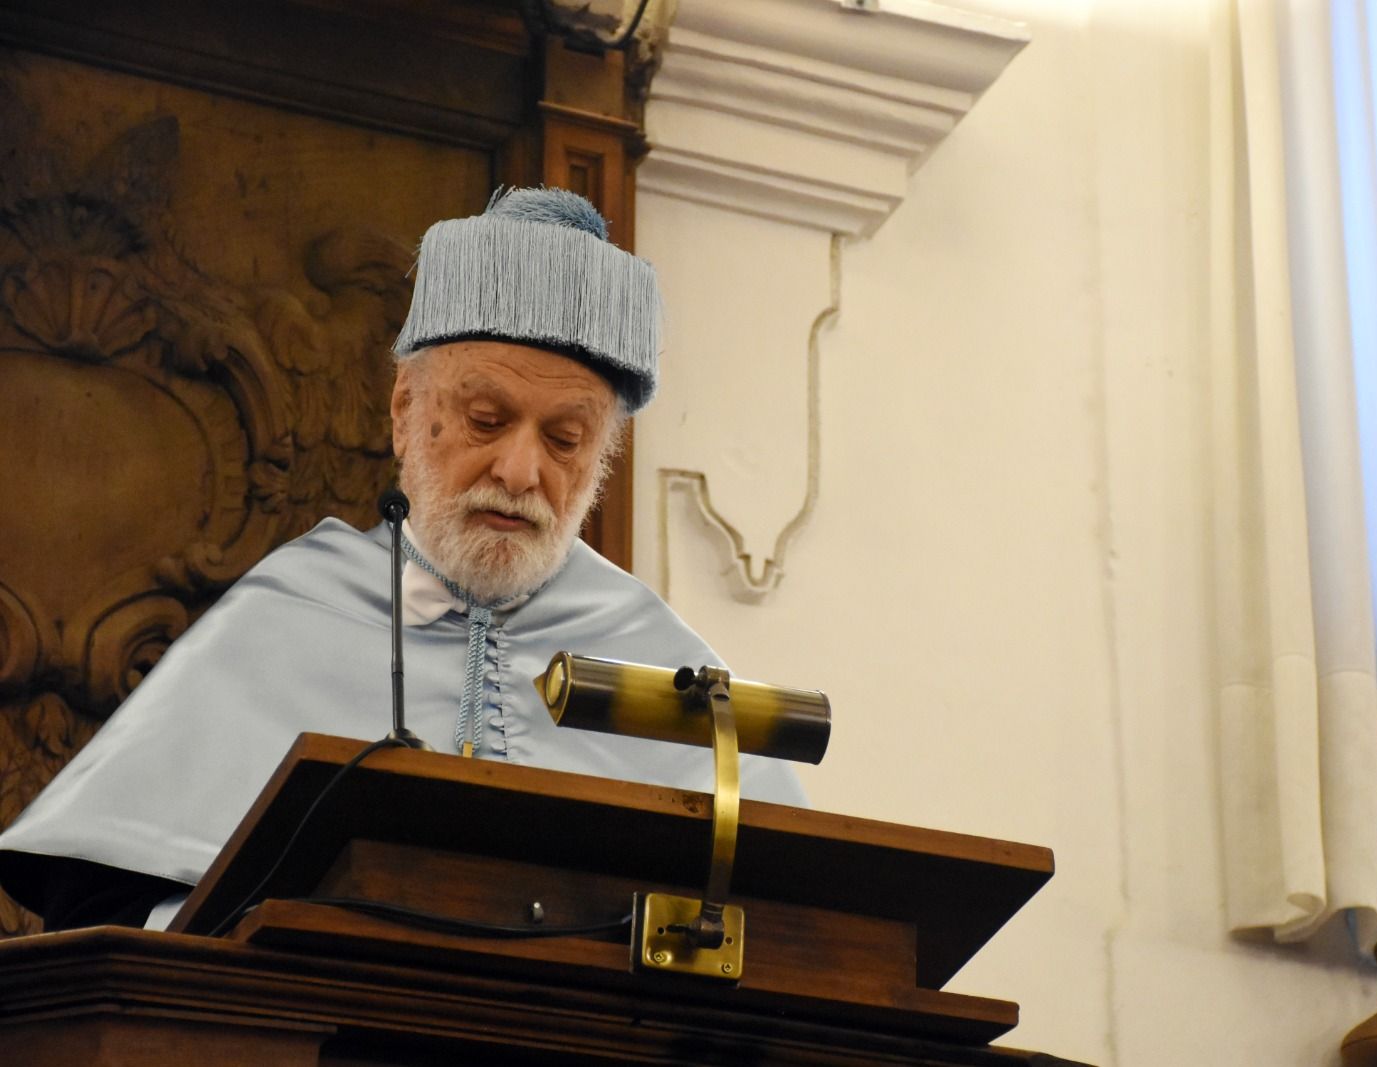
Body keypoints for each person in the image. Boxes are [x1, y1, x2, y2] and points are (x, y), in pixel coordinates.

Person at [0, 188, 805, 931]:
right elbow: (103, 912)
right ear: (403, 409)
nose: (520, 471)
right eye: (486, 419)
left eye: (565, 439)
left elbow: (796, 926)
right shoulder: (290, 612)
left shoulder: (661, 665)